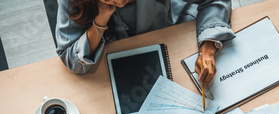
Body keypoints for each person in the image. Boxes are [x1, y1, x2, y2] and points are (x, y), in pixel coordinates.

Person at [56, 0, 235, 87]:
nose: (119, 2)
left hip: (173, 39)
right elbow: (70, 58)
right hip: (115, 66)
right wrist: (100, 20)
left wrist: (208, 48)